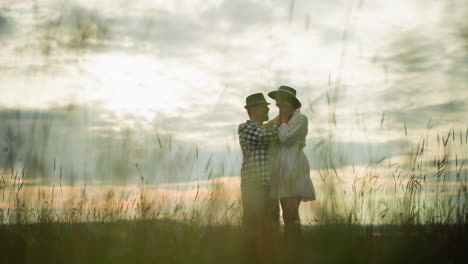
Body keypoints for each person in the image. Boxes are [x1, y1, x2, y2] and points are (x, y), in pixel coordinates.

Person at [267, 85, 316, 241]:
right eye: (278, 105)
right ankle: (291, 250)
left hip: (294, 171)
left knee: (291, 216)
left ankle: (295, 251)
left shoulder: (301, 119)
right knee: (286, 216)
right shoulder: (281, 119)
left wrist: (282, 121)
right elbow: (265, 128)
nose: (279, 108)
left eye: (281, 104)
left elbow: (285, 138)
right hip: (281, 173)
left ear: (290, 104)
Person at [238, 93, 280, 261]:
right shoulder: (245, 127)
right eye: (265, 106)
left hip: (269, 186)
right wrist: (283, 124)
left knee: (271, 228)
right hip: (253, 187)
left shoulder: (265, 127)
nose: (268, 108)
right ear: (254, 109)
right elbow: (264, 137)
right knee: (253, 228)